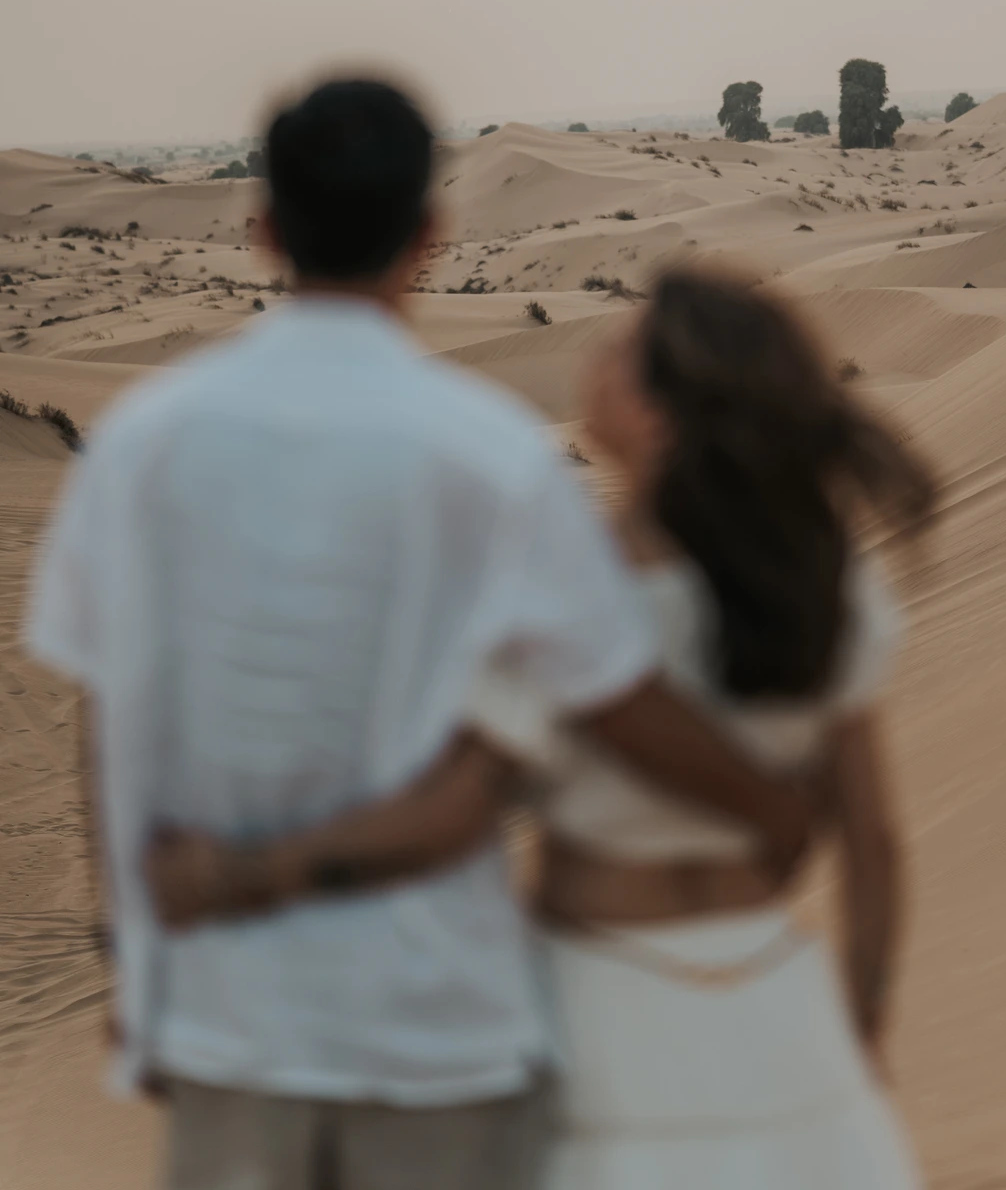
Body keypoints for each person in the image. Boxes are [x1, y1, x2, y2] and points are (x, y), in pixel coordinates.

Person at [25, 79, 812, 1190]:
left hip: (225, 1024)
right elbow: (615, 697)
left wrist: (137, 974)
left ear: (264, 229)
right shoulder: (492, 455)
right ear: (429, 236)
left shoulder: (142, 445)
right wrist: (769, 803)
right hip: (434, 1028)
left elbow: (109, 724)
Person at [147, 265, 937, 1188]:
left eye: (622, 351)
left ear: (660, 418)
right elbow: (872, 842)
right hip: (779, 1009)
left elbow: (449, 816)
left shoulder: (554, 593)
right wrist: (860, 1025)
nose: (595, 355)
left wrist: (246, 871)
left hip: (600, 1011)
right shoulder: (826, 587)